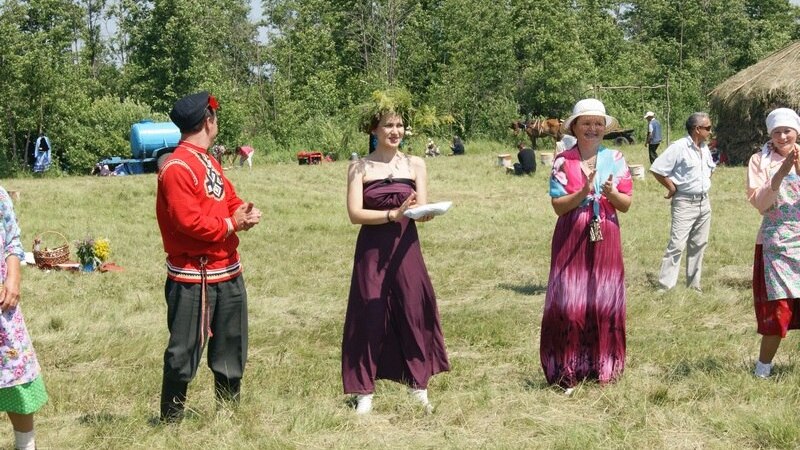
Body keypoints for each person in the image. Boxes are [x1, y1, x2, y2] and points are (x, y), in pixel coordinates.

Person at [156, 92, 262, 423]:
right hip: (193, 276)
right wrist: (232, 224)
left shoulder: (208, 161)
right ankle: (171, 421)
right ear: (207, 120)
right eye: (215, 115)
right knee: (183, 352)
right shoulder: (176, 167)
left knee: (231, 346)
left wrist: (243, 210)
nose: (218, 121)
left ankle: (228, 417)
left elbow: (227, 197)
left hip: (227, 270)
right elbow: (188, 222)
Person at [343, 99, 449, 415]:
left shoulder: (416, 164)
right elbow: (354, 214)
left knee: (414, 308)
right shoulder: (359, 167)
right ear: (373, 129)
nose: (395, 131)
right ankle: (364, 392)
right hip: (372, 249)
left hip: (406, 246)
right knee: (369, 313)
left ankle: (419, 386)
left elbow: (420, 208)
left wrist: (425, 213)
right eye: (388, 125)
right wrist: (392, 214)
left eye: (400, 125)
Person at [540, 98, 633, 392]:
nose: (592, 128)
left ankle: (603, 366)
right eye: (586, 123)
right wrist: (582, 192)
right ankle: (566, 369)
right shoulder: (563, 160)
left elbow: (626, 204)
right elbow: (558, 207)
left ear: (604, 128)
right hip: (571, 235)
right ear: (575, 127)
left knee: (603, 297)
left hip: (606, 234)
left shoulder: (616, 158)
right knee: (570, 299)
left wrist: (611, 193)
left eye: (598, 123)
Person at [746, 108, 800, 379]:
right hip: (776, 245)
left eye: (787, 131)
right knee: (778, 308)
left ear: (796, 132)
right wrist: (782, 172)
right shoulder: (760, 161)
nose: (782, 137)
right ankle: (763, 368)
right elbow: (760, 204)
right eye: (776, 132)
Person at [0, 187, 48, 450]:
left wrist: (13, 277)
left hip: (2, 305)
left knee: (14, 374)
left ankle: (26, 446)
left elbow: (12, 240)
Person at [650, 113, 715, 292]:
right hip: (685, 202)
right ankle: (665, 287)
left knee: (699, 245)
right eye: (708, 128)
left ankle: (694, 286)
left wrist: (703, 184)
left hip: (704, 202)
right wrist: (671, 188)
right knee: (677, 245)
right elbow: (657, 169)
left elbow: (711, 168)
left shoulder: (705, 148)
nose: (710, 131)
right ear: (697, 129)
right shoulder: (679, 147)